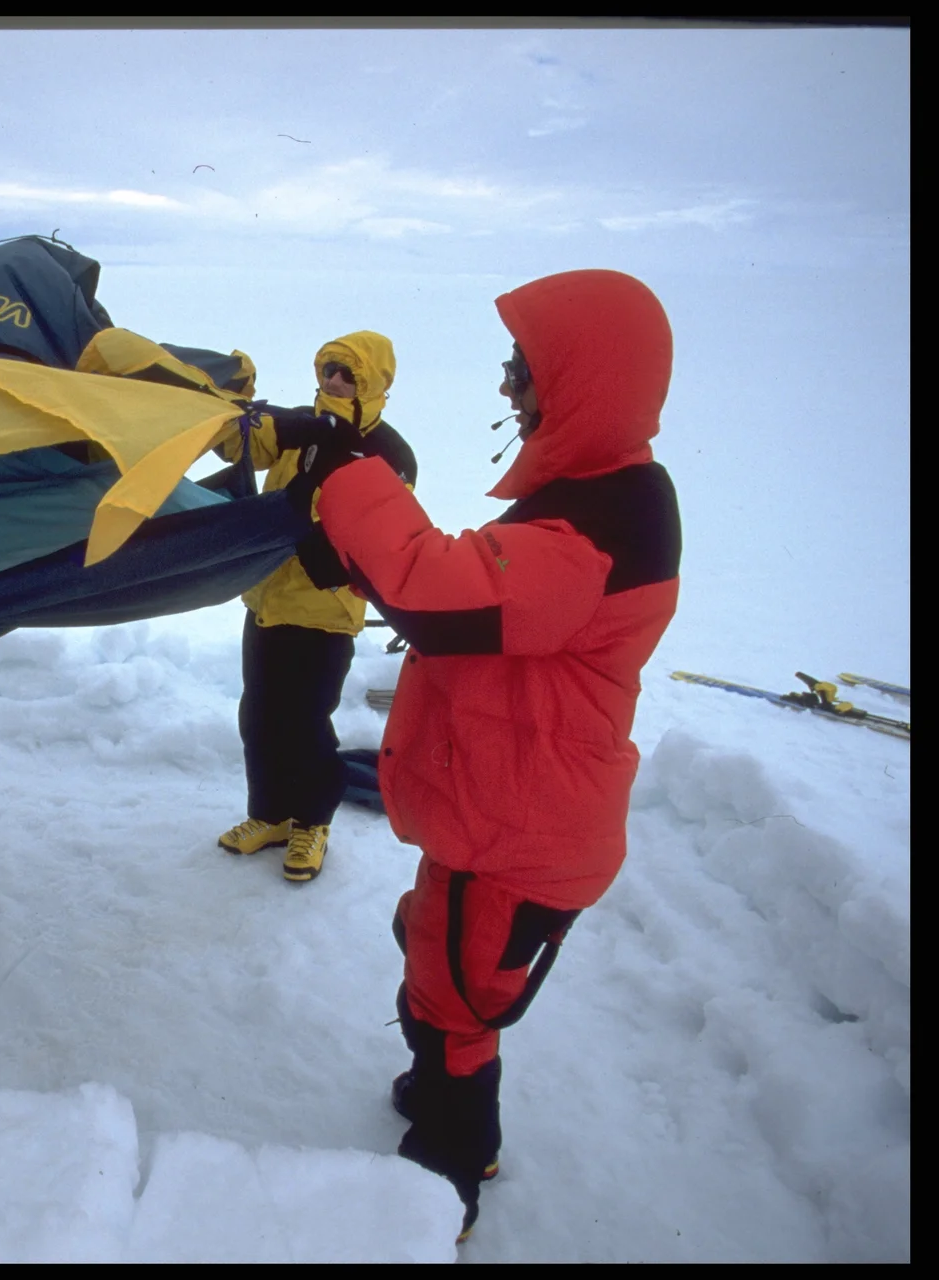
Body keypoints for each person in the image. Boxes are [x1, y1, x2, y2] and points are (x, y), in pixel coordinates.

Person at [291, 270, 682, 1241]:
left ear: (586, 378)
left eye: (524, 367)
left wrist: (351, 475)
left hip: (522, 831)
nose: (508, 385)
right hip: (500, 812)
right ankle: (446, 1094)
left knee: (457, 998)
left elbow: (440, 592)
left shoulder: (604, 525)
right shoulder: (598, 495)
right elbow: (478, 596)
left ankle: (449, 1168)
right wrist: (358, 542)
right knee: (436, 955)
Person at [213, 332, 417, 882]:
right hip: (267, 601)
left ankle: (311, 823)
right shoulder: (300, 425)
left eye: (349, 374)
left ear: (374, 383)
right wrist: (227, 395)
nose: (335, 381)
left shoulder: (390, 453)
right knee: (259, 717)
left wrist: (309, 522)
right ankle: (270, 814)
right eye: (329, 369)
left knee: (305, 724)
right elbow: (241, 443)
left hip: (325, 614)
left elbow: (385, 538)